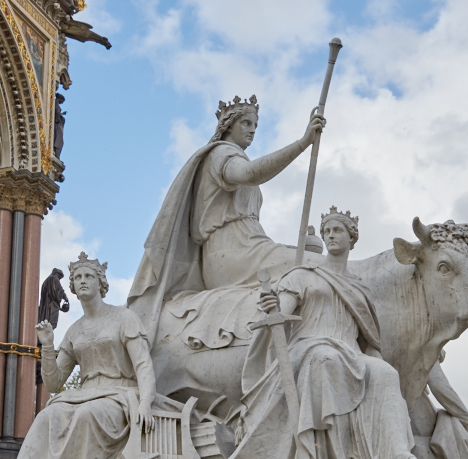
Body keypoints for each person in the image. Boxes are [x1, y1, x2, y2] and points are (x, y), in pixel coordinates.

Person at [187, 209, 433, 459]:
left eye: (337, 230)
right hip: (310, 347)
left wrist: (380, 362)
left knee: (386, 373)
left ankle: (398, 455)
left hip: (351, 351)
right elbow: (281, 314)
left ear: (352, 238)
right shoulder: (301, 275)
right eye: (327, 231)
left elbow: (368, 338)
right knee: (326, 361)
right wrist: (272, 306)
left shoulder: (359, 287)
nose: (330, 236)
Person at [0, 252, 158, 459]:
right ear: (71, 286)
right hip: (85, 394)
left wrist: (146, 402)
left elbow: (143, 365)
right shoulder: (74, 330)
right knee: (46, 417)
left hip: (119, 394)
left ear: (100, 283)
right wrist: (48, 345)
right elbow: (54, 382)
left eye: (89, 276)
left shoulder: (123, 318)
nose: (82, 281)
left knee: (85, 415)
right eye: (78, 277)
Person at [128, 95, 326, 331]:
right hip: (233, 255)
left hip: (251, 246)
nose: (252, 130)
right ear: (229, 125)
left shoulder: (233, 154)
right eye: (246, 123)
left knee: (311, 258)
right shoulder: (221, 153)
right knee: (320, 267)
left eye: (255, 125)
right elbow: (249, 173)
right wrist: (302, 143)